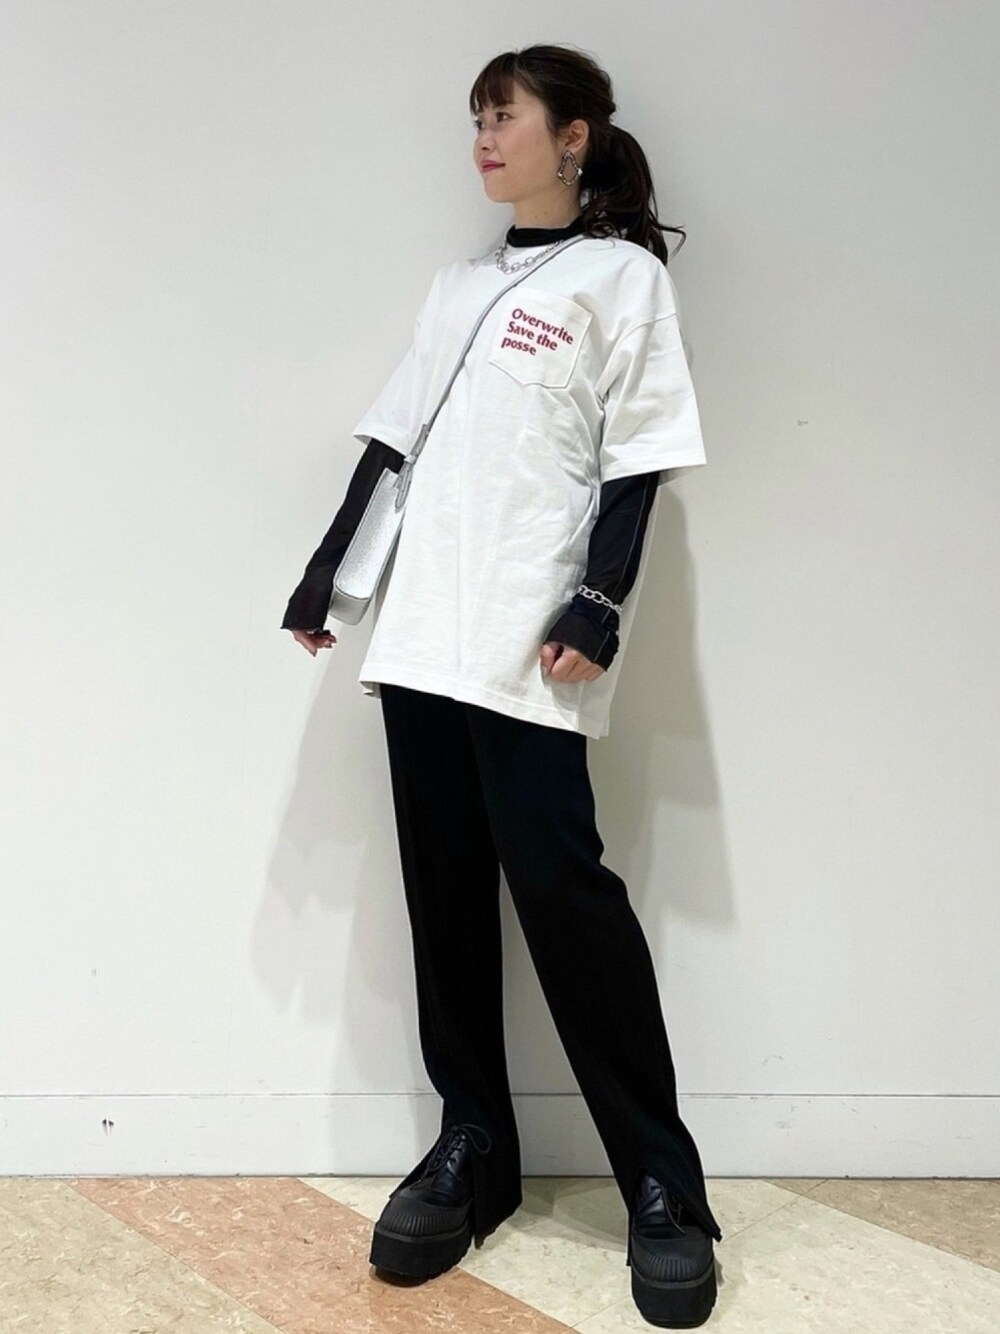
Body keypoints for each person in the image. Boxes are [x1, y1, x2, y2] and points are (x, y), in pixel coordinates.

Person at [281, 44, 721, 1330]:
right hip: (423, 630)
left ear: (571, 136)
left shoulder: (622, 279)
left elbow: (640, 455)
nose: (482, 136)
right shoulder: (457, 285)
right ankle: (474, 1145)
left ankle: (662, 1182)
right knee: (445, 896)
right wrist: (329, 578)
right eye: (475, 117)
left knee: (565, 895)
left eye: (504, 115)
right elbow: (395, 439)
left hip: (528, 637)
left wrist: (599, 600)